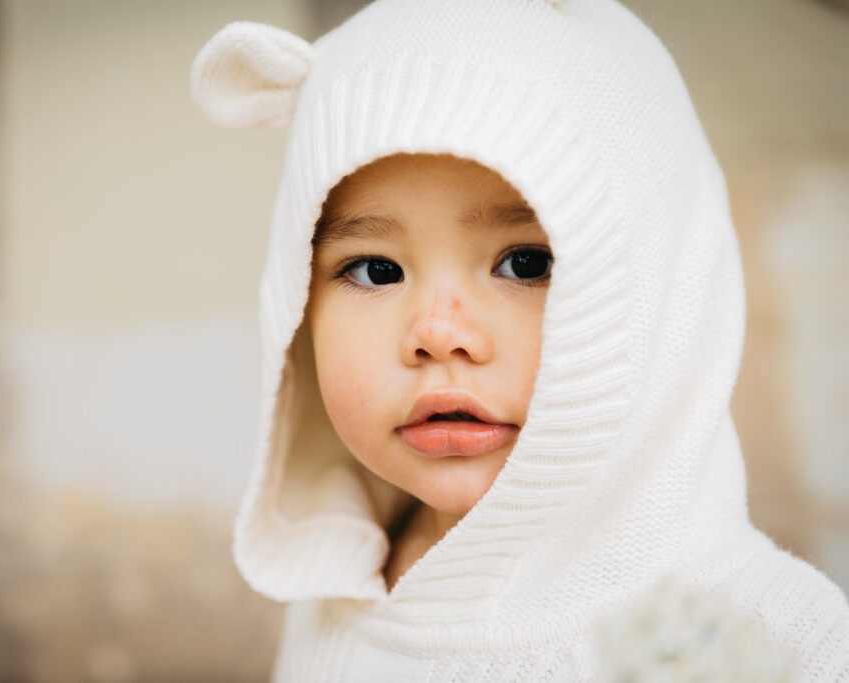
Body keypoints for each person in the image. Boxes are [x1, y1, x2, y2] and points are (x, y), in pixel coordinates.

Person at [190, 1, 849, 680]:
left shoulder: (773, 636)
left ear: (662, 293)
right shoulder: (338, 590)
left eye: (525, 264)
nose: (439, 333)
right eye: (375, 270)